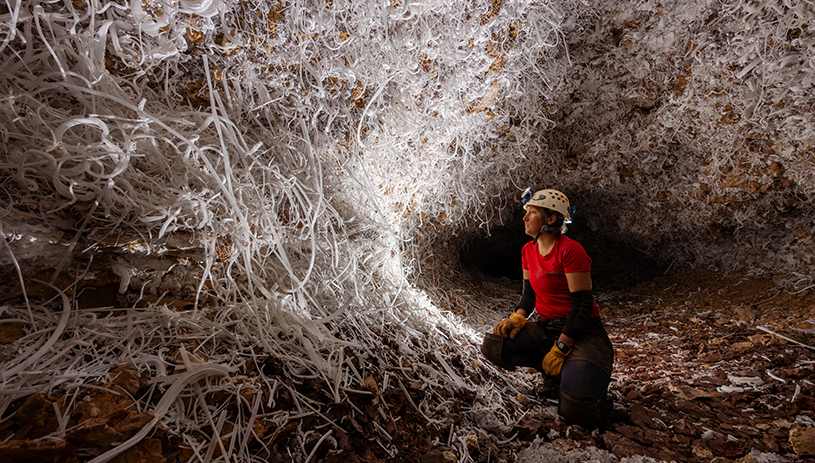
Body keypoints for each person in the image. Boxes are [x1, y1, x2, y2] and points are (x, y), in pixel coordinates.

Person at [481, 188, 615, 427]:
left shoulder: (570, 250)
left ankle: (582, 383)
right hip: (546, 327)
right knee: (495, 344)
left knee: (576, 412)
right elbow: (529, 294)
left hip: (583, 331)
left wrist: (562, 347)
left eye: (531, 212)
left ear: (550, 219)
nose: (524, 218)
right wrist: (518, 317)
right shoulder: (527, 250)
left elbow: (582, 305)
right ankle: (554, 373)